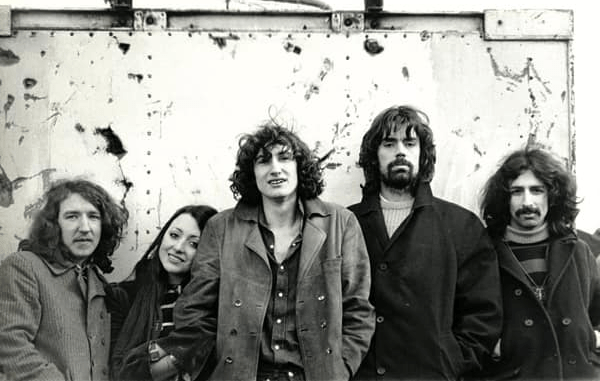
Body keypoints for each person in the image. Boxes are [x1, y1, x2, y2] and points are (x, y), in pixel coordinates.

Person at [149, 123, 375, 381]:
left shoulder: (340, 223)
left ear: (299, 166)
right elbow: (194, 309)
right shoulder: (221, 228)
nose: (275, 168)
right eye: (263, 161)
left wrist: (339, 370)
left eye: (284, 158)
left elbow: (358, 310)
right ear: (252, 173)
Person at [349, 105, 503, 380]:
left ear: (422, 154)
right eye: (389, 143)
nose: (400, 151)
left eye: (410, 143)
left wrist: (452, 361)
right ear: (375, 155)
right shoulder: (346, 224)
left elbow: (483, 314)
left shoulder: (460, 225)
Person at [480, 147, 600, 380]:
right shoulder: (484, 253)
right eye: (517, 191)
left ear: (552, 196)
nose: (528, 202)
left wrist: (591, 342)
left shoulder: (578, 250)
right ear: (505, 198)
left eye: (537, 190)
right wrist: (498, 348)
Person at [0, 179, 127, 381]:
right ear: (53, 225)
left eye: (93, 216)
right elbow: (11, 346)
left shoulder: (97, 283)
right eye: (72, 216)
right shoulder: (24, 266)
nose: (85, 227)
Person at [107, 205, 217, 381]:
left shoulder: (217, 306)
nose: (178, 247)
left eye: (194, 244)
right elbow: (119, 372)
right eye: (174, 235)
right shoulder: (124, 296)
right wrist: (181, 356)